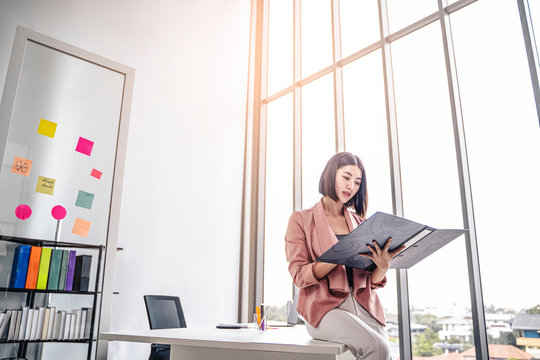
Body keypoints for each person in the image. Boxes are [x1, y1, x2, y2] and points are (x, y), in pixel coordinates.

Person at [284, 152, 404, 360]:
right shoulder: (300, 220)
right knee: (378, 348)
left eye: (357, 182)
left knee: (387, 352)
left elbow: (369, 282)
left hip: (364, 305)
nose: (351, 186)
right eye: (346, 177)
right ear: (330, 176)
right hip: (324, 309)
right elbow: (299, 275)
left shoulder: (360, 223)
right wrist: (335, 256)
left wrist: (382, 267)